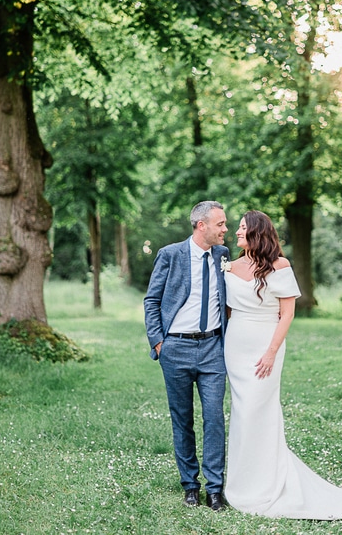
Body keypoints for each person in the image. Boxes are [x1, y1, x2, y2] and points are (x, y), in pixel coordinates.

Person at [222, 210, 342, 519]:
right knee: (241, 412)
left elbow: (287, 313)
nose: (236, 232)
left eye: (242, 228)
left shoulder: (279, 266)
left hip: (266, 346)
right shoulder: (230, 266)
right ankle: (241, 481)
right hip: (235, 348)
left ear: (257, 233)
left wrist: (271, 352)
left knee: (259, 410)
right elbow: (229, 310)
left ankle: (266, 481)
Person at [143, 200, 230, 510]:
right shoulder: (170, 254)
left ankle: (215, 488)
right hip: (175, 348)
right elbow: (152, 300)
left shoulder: (222, 254)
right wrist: (158, 342)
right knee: (182, 419)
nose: (225, 229)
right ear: (201, 225)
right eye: (220, 224)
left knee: (214, 418)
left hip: (212, 349)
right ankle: (190, 485)